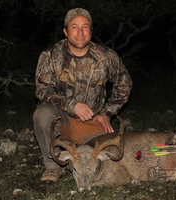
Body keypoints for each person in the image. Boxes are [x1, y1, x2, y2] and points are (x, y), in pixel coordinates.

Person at [32, 8, 132, 182]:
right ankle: (52, 167)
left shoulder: (106, 56)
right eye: (74, 27)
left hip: (93, 121)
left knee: (115, 153)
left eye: (85, 27)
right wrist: (73, 105)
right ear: (65, 31)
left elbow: (124, 84)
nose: (80, 32)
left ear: (91, 31)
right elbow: (42, 90)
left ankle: (74, 149)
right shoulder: (50, 56)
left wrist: (107, 113)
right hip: (62, 119)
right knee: (42, 113)